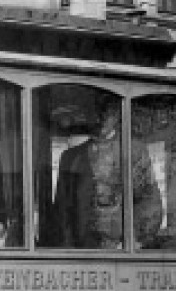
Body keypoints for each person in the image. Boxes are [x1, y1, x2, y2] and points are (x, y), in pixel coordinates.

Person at [46, 104, 161, 249]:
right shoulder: (70, 158)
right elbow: (62, 211)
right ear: (87, 116)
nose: (101, 119)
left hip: (123, 248)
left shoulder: (135, 152)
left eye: (107, 113)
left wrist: (135, 241)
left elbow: (150, 201)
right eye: (96, 113)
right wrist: (69, 251)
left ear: (117, 115)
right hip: (82, 250)